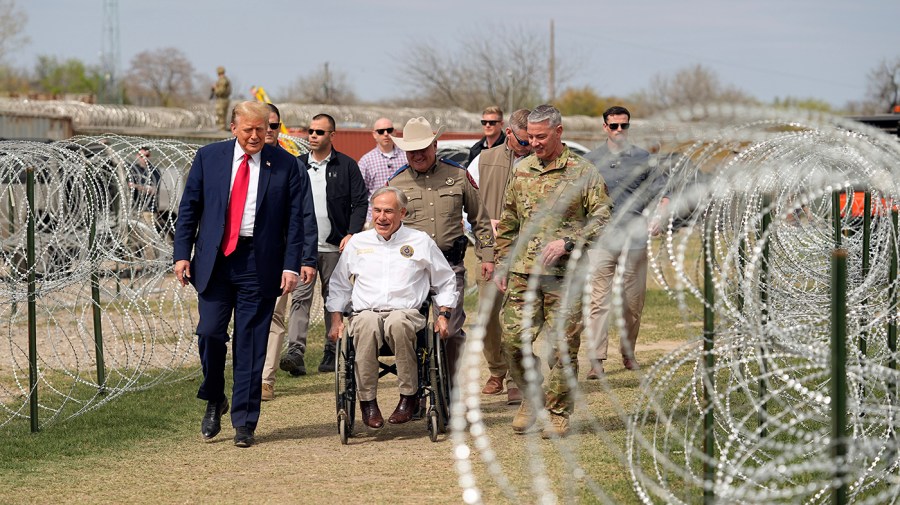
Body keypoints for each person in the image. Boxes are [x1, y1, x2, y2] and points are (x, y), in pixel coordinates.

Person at [173, 101, 317, 448]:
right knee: (209, 333)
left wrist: (291, 264)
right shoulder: (210, 158)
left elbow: (297, 219)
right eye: (249, 129)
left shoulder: (286, 165)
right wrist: (181, 255)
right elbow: (189, 208)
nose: (256, 136)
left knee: (250, 344)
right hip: (216, 260)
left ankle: (245, 421)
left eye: (263, 129)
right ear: (234, 128)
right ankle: (214, 397)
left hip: (260, 261)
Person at [494, 104, 612, 438]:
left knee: (563, 348)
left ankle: (558, 412)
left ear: (559, 132)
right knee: (512, 341)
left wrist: (570, 242)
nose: (534, 143)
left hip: (566, 276)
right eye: (530, 137)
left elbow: (603, 216)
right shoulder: (521, 170)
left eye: (541, 136)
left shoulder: (582, 171)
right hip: (523, 273)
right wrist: (503, 260)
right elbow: (509, 220)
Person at [326, 186, 457, 429]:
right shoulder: (358, 243)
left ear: (402, 213)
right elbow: (339, 285)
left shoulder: (420, 241)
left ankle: (409, 397)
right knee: (365, 324)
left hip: (407, 314)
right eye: (377, 210)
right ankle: (368, 402)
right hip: (366, 313)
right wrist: (336, 320)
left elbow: (445, 280)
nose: (381, 217)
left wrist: (444, 316)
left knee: (397, 322)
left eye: (388, 211)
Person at [387, 117, 495, 388]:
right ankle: (415, 390)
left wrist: (488, 256)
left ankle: (450, 390)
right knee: (410, 331)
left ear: (435, 145)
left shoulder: (457, 175)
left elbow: (480, 218)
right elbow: (386, 230)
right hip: (409, 271)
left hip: (450, 266)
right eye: (412, 150)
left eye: (423, 148)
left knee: (452, 329)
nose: (418, 155)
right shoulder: (396, 182)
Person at [279, 113, 368, 377]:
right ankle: (295, 352)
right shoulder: (297, 165)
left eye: (320, 132)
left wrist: (352, 233)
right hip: (303, 249)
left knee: (335, 300)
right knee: (300, 299)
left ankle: (333, 348)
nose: (313, 136)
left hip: (334, 247)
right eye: (311, 131)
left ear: (332, 135)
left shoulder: (347, 166)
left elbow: (360, 202)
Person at [584, 106, 669, 378]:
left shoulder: (644, 158)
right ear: (604, 127)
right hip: (601, 239)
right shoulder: (591, 160)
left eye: (624, 126)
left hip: (634, 239)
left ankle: (628, 352)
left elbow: (663, 195)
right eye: (613, 126)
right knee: (599, 300)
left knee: (632, 302)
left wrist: (658, 215)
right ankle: (596, 359)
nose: (619, 130)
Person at [466, 109, 532, 406]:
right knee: (489, 317)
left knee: (519, 318)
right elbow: (467, 206)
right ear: (509, 133)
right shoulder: (483, 160)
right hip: (491, 252)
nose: (530, 146)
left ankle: (516, 379)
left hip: (528, 254)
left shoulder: (542, 163)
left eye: (533, 140)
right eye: (524, 141)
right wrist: (486, 223)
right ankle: (496, 370)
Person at [260, 103, 317, 401]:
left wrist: (306, 258)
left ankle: (265, 379)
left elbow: (305, 214)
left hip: (281, 255)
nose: (269, 131)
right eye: (264, 125)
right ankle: (249, 373)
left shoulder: (292, 165)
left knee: (273, 316)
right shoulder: (237, 162)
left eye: (274, 125)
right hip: (243, 255)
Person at [357, 117, 407, 223]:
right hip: (376, 219)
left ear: (395, 132)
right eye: (381, 131)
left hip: (404, 218)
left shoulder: (407, 157)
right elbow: (360, 195)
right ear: (374, 135)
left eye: (389, 130)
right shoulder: (366, 161)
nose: (386, 134)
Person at [128, 146, 160, 219]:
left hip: (149, 209)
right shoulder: (133, 169)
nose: (144, 158)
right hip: (134, 208)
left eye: (147, 156)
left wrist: (136, 186)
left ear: (150, 156)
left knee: (146, 230)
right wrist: (144, 188)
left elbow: (153, 190)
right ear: (137, 156)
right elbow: (128, 185)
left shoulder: (154, 171)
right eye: (141, 156)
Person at [211, 66, 232, 130]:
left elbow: (221, 91)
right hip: (224, 99)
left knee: (220, 114)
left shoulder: (222, 80)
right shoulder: (226, 79)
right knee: (223, 114)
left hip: (222, 99)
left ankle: (222, 129)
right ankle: (222, 128)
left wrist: (215, 88)